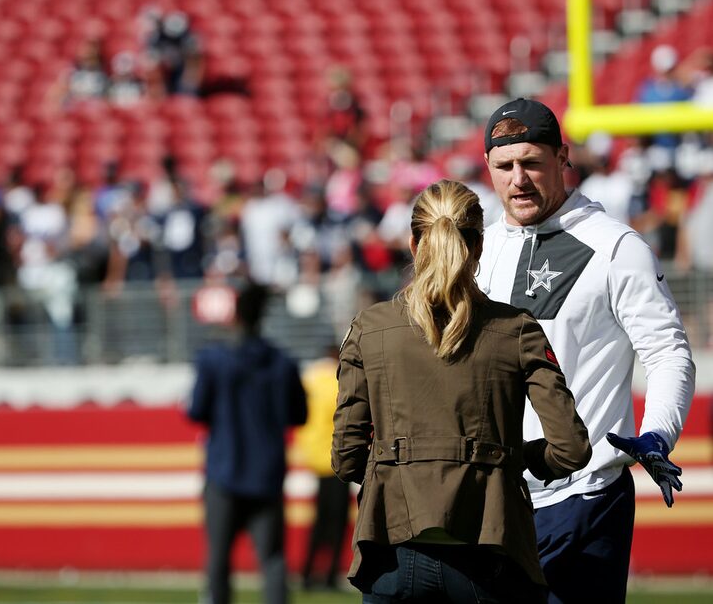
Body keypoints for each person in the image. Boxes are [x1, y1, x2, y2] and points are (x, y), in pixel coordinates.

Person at [332, 179, 592, 603]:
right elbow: (571, 449)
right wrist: (513, 460)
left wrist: (404, 475)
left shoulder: (370, 328)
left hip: (393, 551)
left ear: (414, 243)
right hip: (490, 548)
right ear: (479, 246)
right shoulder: (517, 329)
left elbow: (345, 459)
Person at [477, 98, 696, 603]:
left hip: (585, 498)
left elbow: (667, 353)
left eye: (531, 162)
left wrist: (659, 432)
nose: (518, 179)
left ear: (562, 158)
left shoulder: (618, 247)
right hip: (494, 499)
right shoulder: (480, 252)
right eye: (504, 166)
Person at [187, 282, 308, 604]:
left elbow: (196, 410)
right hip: (267, 473)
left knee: (218, 560)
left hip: (223, 472)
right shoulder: (283, 363)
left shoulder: (213, 360)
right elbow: (298, 415)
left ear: (235, 315)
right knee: (272, 559)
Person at [295, 344, 351, 591]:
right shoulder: (340, 380)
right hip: (336, 457)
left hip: (315, 456)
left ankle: (308, 573)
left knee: (320, 521)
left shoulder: (311, 378)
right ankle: (329, 576)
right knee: (337, 522)